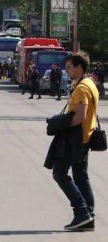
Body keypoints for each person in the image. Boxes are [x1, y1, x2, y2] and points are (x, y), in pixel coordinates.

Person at [52, 53, 98, 231]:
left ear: (79, 67)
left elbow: (79, 117)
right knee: (80, 176)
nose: (66, 70)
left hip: (76, 139)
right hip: (86, 137)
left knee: (59, 172)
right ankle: (88, 217)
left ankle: (81, 212)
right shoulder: (89, 84)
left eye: (69, 67)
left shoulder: (81, 89)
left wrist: (58, 123)